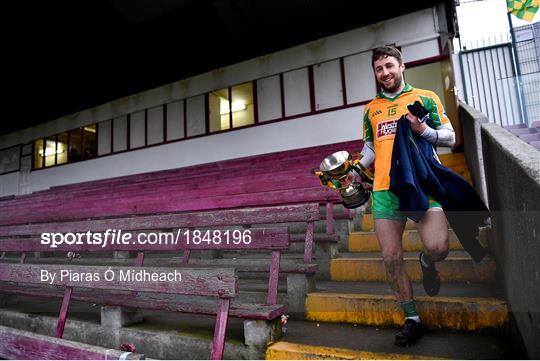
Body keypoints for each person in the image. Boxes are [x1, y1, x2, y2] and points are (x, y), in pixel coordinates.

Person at [359, 46, 456, 347]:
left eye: (389, 65)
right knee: (391, 258)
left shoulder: (425, 97)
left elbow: (451, 138)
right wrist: (355, 169)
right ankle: (411, 318)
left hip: (424, 184)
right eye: (379, 69)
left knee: (439, 247)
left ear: (402, 66)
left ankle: (428, 262)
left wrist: (424, 130)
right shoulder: (370, 109)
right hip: (385, 190)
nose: (385, 72)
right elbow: (370, 149)